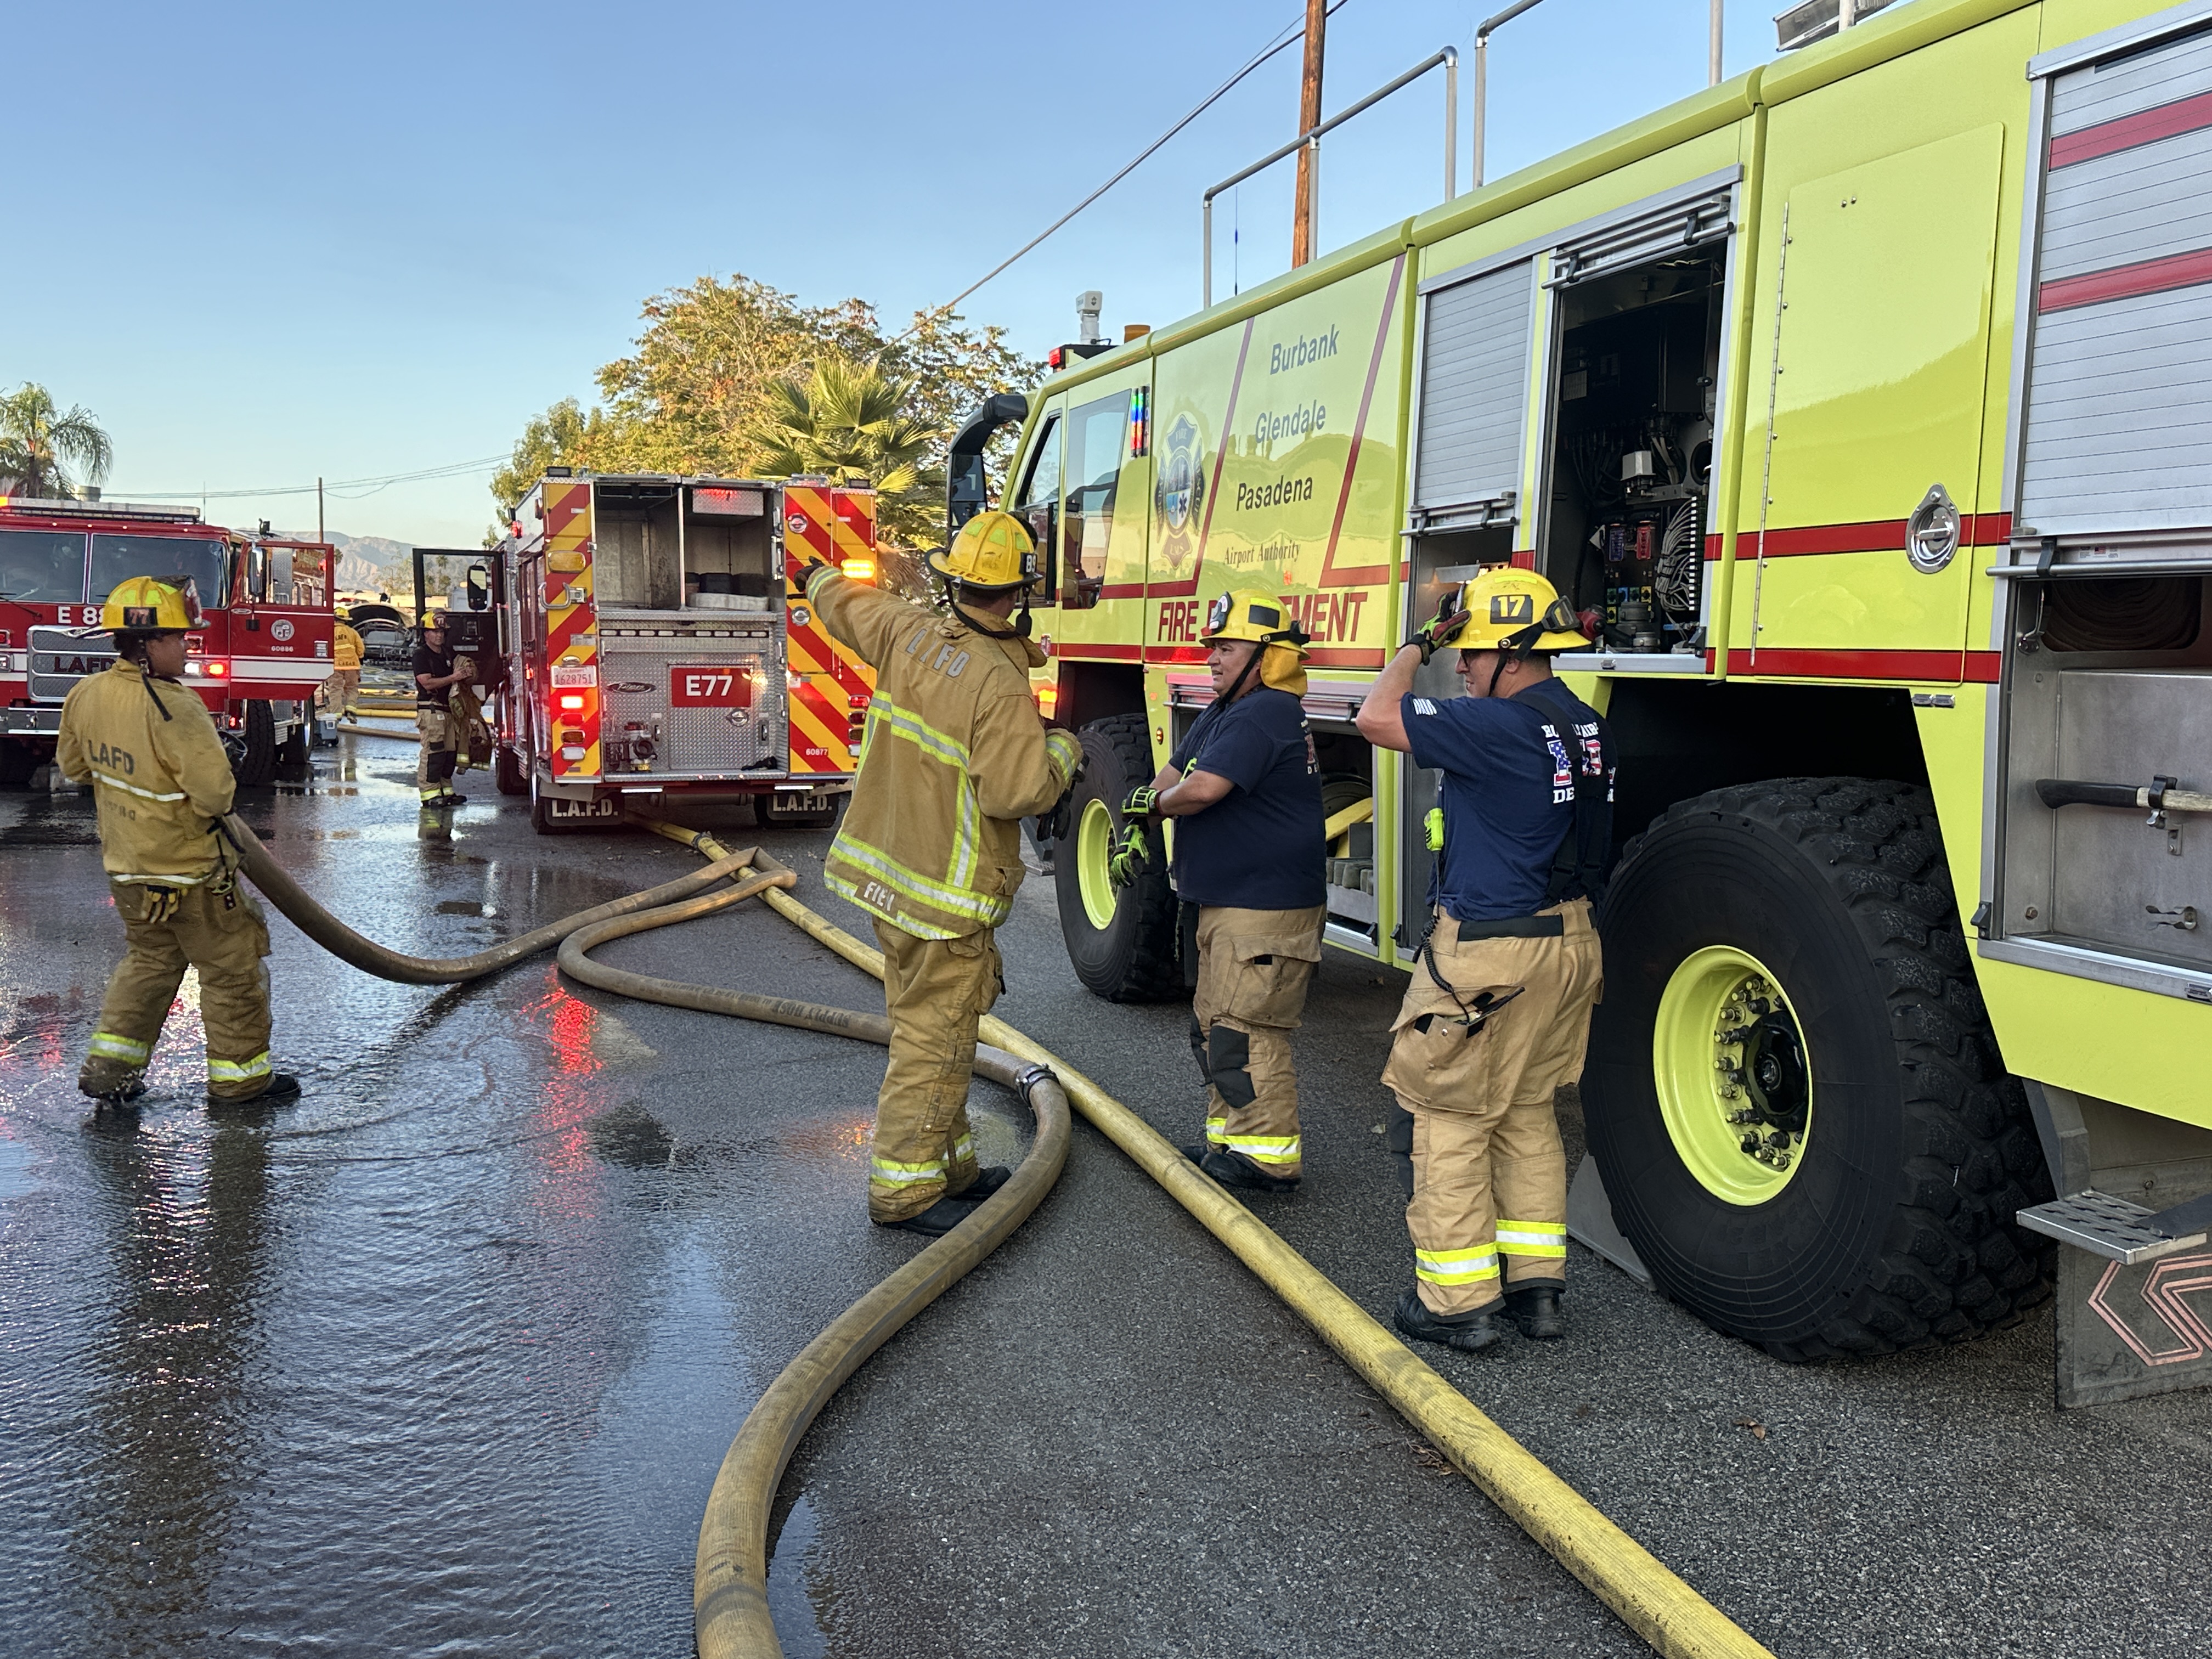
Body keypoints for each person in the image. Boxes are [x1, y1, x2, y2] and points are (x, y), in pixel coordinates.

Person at [802, 512, 1083, 1236]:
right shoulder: (996, 681)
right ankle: (905, 1191)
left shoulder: (906, 631)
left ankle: (951, 1167)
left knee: (929, 1028)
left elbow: (844, 603)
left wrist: (813, 575)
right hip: (944, 899)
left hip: (887, 883)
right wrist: (1063, 751)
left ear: (953, 581)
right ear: (1018, 593)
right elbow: (1018, 792)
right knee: (936, 1042)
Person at [1354, 567, 1613, 1353]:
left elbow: (1375, 716)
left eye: (1471, 651)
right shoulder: (1584, 724)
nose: (1461, 665)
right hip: (1569, 943)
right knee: (1527, 1111)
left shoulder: (1495, 724)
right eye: (1456, 650)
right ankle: (1537, 1291)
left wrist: (1417, 643)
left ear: (1514, 653)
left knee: (1448, 1118)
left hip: (1493, 951)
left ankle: (1456, 1302)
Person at [57, 575, 300, 1109]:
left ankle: (109, 1074)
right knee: (232, 971)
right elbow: (215, 796)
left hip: (128, 869)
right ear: (148, 644)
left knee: (150, 963)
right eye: (180, 638)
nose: (189, 647)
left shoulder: (85, 694)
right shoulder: (177, 706)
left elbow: (74, 767)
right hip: (192, 874)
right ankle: (241, 1083)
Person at [1118, 590, 1326, 1193]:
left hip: (1263, 909)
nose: (1212, 658)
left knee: (1246, 1032)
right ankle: (1230, 1142)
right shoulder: (1227, 711)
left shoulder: (1266, 713)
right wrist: (1140, 818)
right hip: (1232, 904)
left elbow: (1203, 789)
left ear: (1267, 657)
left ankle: (1268, 1158)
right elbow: (1175, 772)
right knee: (1217, 1027)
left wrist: (1154, 807)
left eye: (1227, 648)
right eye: (1213, 647)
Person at [412, 616, 470, 808]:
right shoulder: (421, 655)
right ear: (425, 634)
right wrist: (454, 677)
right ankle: (429, 794)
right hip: (431, 709)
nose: (439, 636)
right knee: (434, 752)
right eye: (435, 632)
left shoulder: (446, 653)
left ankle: (446, 792)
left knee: (449, 754)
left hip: (447, 710)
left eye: (442, 632)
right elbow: (427, 683)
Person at [325, 616, 363, 718]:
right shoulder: (352, 632)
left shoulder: (329, 632)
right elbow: (361, 649)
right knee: (352, 688)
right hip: (352, 666)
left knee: (335, 689)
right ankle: (350, 710)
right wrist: (359, 657)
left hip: (336, 666)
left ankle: (336, 715)